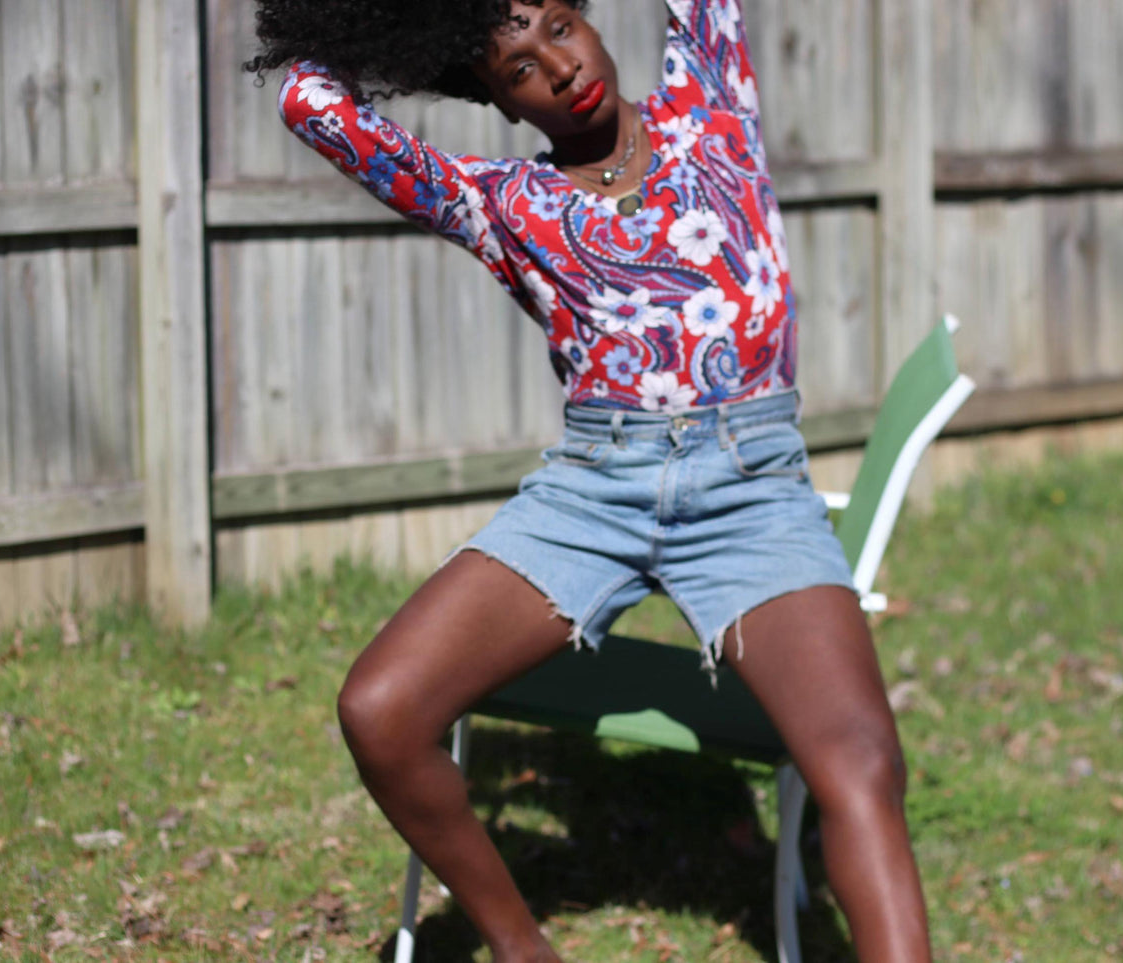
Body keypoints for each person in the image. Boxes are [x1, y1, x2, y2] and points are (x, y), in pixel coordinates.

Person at [247, 1, 932, 959]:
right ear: (490, 97)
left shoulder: (710, 103)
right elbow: (309, 100)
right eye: (516, 65)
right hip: (591, 493)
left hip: (749, 490)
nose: (557, 68)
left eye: (558, 27)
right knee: (379, 709)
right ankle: (524, 949)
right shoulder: (495, 202)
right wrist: (385, 28)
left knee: (861, 763)